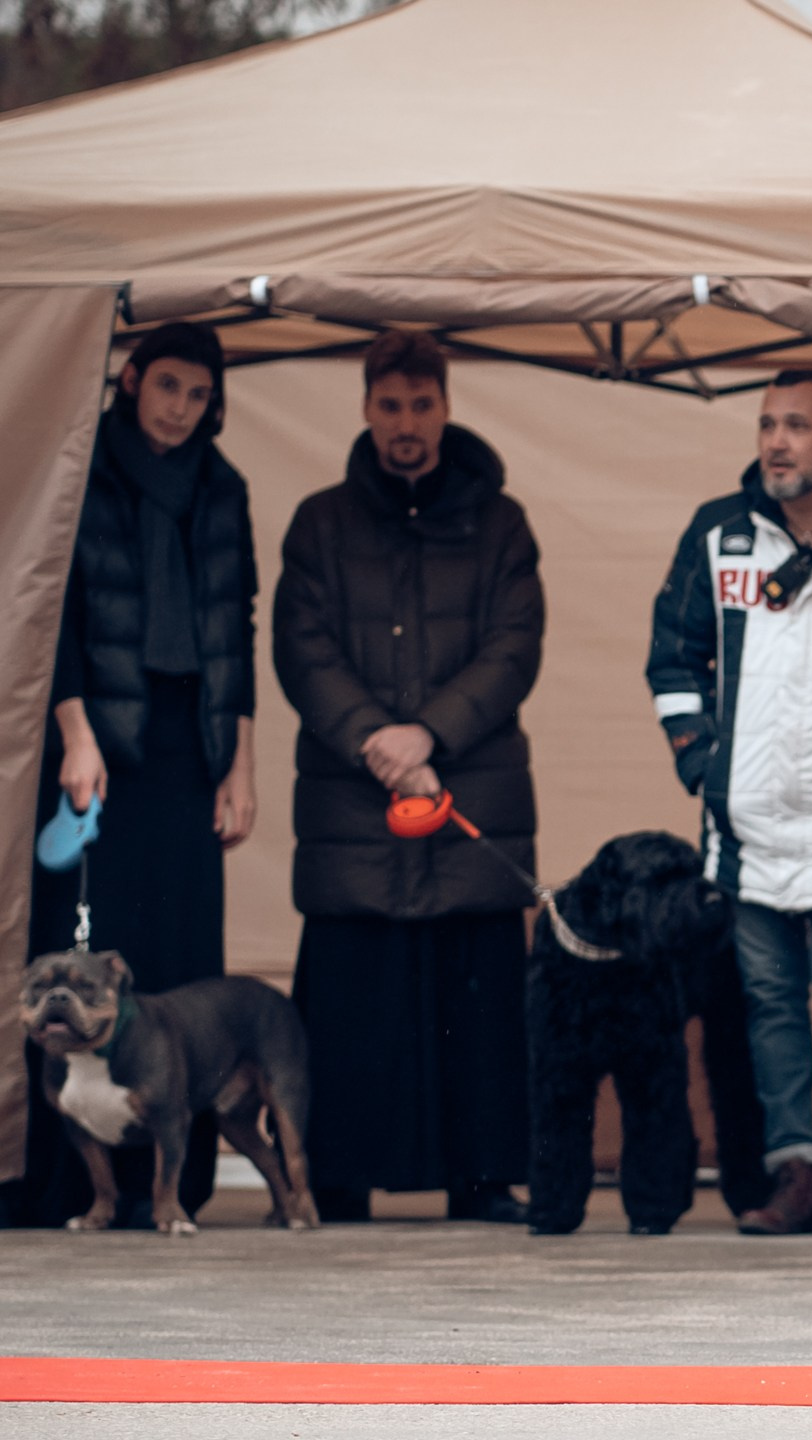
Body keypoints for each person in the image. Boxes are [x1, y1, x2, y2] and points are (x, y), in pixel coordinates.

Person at [273, 330, 545, 1224]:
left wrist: (429, 732)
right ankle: (338, 1177)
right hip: (355, 805)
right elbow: (300, 649)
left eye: (422, 405)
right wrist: (376, 741)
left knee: (477, 999)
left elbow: (515, 646)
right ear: (365, 408)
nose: (407, 425)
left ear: (445, 406)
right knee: (355, 1007)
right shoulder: (319, 521)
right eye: (390, 406)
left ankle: (483, 1175)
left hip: (471, 795)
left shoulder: (501, 521)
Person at [9, 323, 258, 1230]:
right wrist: (75, 733)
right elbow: (57, 611)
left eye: (199, 395)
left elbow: (239, 626)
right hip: (101, 740)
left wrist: (241, 762)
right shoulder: (88, 469)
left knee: (182, 958)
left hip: (190, 748)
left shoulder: (223, 487)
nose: (182, 409)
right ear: (131, 378)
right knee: (83, 951)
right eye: (168, 388)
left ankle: (173, 1190)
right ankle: (74, 1188)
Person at [646, 368, 812, 1237]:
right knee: (770, 1003)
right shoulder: (719, 533)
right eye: (766, 425)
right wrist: (700, 764)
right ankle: (795, 1169)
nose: (777, 441)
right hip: (744, 820)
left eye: (796, 424)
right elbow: (671, 656)